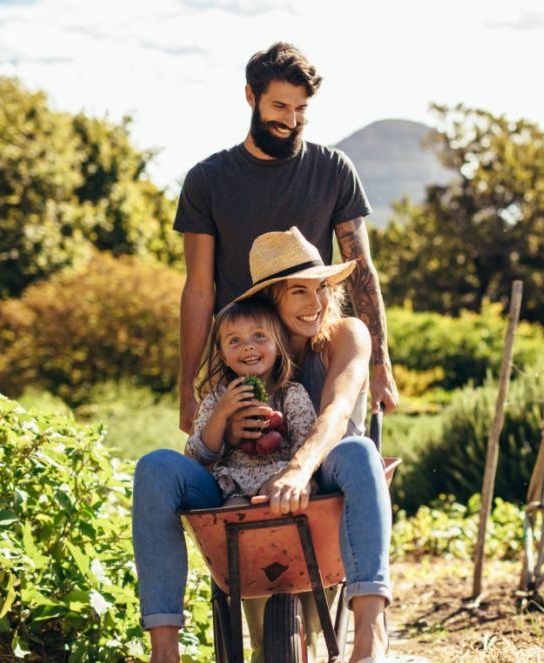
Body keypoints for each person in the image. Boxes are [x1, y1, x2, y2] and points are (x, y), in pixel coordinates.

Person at [134, 227, 393, 663]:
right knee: (155, 467)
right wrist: (229, 430)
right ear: (272, 298)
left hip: (325, 478)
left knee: (360, 450)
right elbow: (201, 445)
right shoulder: (243, 355)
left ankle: (369, 640)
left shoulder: (345, 334)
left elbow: (336, 411)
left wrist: (298, 469)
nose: (317, 303)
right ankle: (164, 652)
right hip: (237, 486)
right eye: (299, 291)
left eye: (322, 288)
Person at [174, 41, 398, 439]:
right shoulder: (207, 180)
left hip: (317, 354)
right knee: (243, 483)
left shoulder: (333, 170)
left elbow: (362, 273)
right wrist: (188, 385)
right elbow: (198, 291)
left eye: (301, 109)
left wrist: (380, 365)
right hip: (243, 359)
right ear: (250, 96)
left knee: (336, 462)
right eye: (279, 106)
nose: (291, 120)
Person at [184, 297, 316, 504]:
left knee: (273, 492)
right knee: (232, 513)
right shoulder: (218, 398)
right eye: (235, 340)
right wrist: (221, 413)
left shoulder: (291, 394)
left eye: (259, 335)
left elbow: (305, 443)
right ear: (223, 356)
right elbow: (199, 455)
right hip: (233, 485)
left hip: (279, 477)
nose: (248, 346)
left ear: (278, 346)